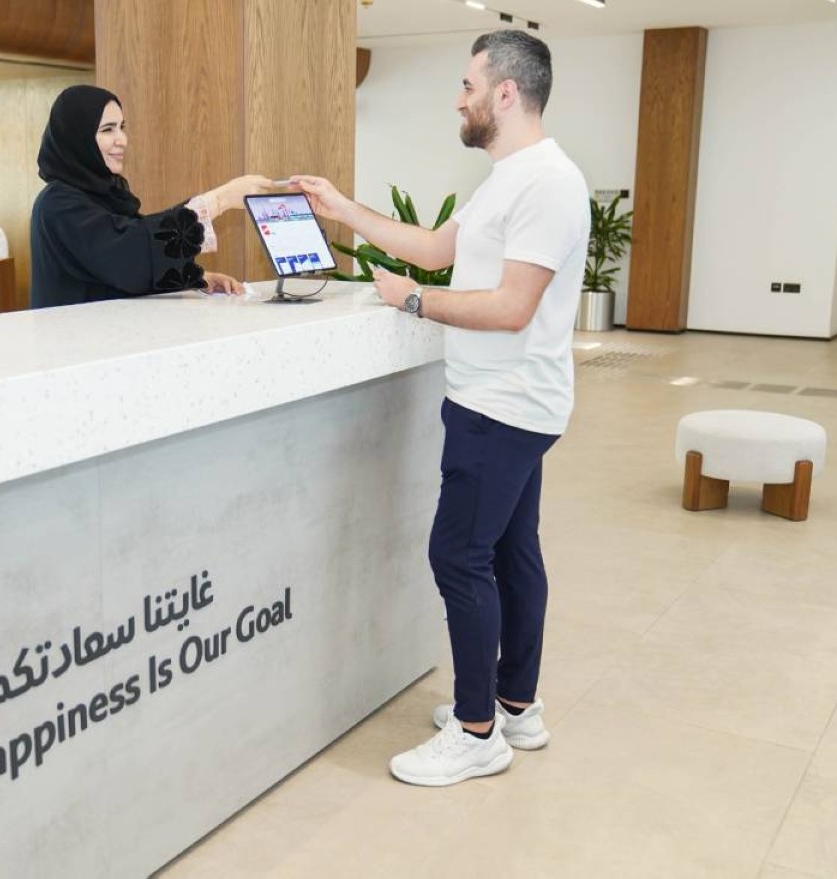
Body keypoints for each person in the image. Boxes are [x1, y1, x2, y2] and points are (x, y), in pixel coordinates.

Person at [293, 29, 590, 788]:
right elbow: (432, 248)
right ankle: (516, 706)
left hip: (503, 404)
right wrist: (341, 208)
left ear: (505, 93)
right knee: (511, 552)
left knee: (458, 556)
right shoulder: (506, 178)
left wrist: (414, 302)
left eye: (467, 85)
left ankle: (476, 731)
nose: (458, 99)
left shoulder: (548, 184)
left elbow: (512, 307)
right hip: (506, 400)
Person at [30, 84, 272, 308]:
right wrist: (220, 200)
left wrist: (198, 279)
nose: (122, 140)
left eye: (121, 127)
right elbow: (129, 257)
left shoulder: (105, 195)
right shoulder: (58, 203)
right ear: (78, 137)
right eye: (107, 130)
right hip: (75, 338)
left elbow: (138, 248)